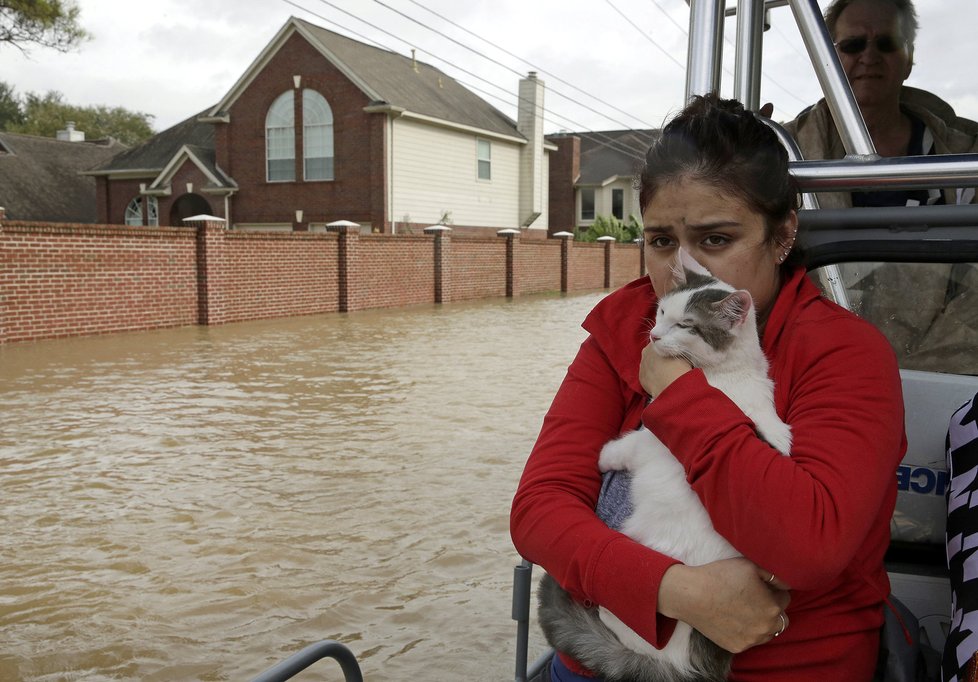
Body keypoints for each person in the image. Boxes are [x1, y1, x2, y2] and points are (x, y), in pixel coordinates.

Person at [510, 94, 907, 681]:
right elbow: (539, 509)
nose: (680, 270)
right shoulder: (622, 333)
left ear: (781, 236)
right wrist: (677, 591)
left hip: (784, 667)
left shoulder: (844, 354)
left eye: (715, 240)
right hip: (603, 654)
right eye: (662, 241)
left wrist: (677, 400)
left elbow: (809, 545)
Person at [781, 0, 978, 374]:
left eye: (886, 43)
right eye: (853, 45)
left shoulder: (966, 154)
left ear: (908, 56)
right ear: (829, 57)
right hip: (820, 372)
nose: (869, 56)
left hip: (950, 379)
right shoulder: (782, 152)